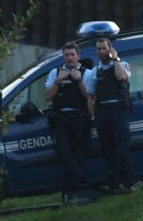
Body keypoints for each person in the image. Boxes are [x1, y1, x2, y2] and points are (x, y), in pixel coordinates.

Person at [85, 38, 133, 193]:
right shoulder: (94, 72)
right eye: (98, 49)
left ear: (110, 49)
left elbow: (122, 78)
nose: (101, 51)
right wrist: (94, 117)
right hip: (103, 113)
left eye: (104, 48)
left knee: (122, 148)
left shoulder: (121, 65)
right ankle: (113, 184)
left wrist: (115, 59)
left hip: (119, 111)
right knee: (107, 150)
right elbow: (90, 96)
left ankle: (128, 183)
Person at [44, 42, 91, 199]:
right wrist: (58, 80)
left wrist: (79, 80)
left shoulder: (86, 73)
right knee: (64, 153)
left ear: (78, 56)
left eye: (72, 55)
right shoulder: (55, 73)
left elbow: (89, 96)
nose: (70, 58)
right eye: (67, 55)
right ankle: (79, 185)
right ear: (63, 57)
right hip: (61, 119)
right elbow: (47, 97)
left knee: (79, 153)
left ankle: (77, 189)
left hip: (80, 119)